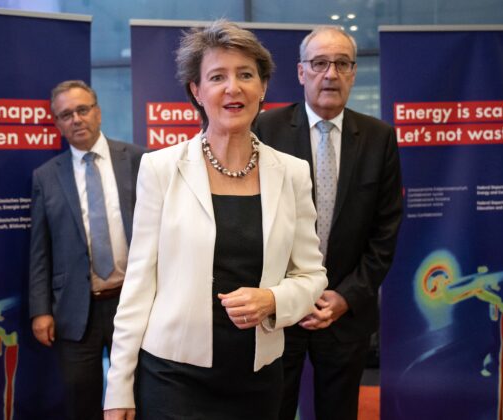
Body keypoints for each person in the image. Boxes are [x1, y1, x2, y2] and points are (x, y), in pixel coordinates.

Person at [103, 20, 327, 420]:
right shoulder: (160, 168)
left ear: (263, 88)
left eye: (245, 75)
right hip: (174, 377)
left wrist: (273, 300)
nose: (232, 88)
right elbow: (138, 286)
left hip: (257, 377)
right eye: (217, 77)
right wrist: (119, 389)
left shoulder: (292, 173)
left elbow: (312, 277)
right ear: (197, 91)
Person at [253, 25, 403, 420]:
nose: (330, 74)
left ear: (354, 73)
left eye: (341, 63)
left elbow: (385, 232)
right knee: (273, 410)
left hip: (344, 312)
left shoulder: (379, 138)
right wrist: (285, 295)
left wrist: (344, 297)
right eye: (319, 63)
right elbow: (250, 221)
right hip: (279, 312)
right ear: (301, 72)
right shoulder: (263, 132)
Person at [28, 80, 145, 420]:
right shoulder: (46, 176)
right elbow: (40, 249)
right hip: (76, 310)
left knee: (139, 396)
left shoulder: (139, 159)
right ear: (57, 123)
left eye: (82, 110)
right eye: (66, 114)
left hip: (132, 302)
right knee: (81, 400)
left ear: (98, 112)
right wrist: (40, 310)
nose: (76, 119)